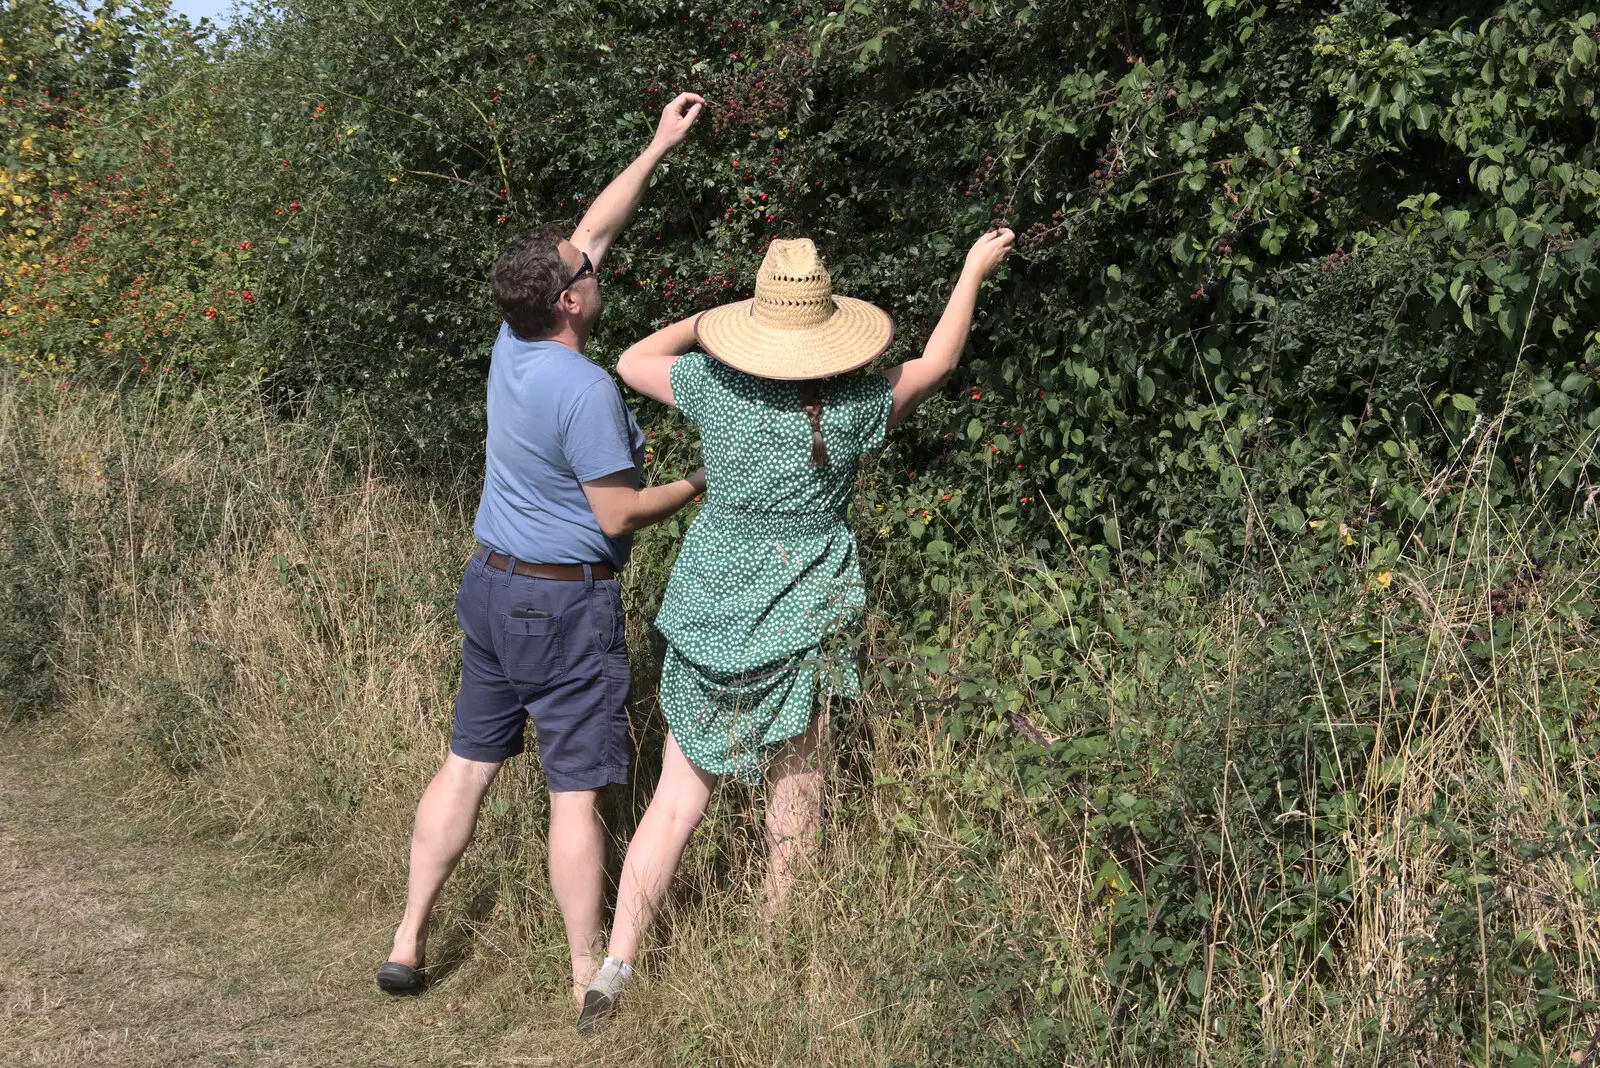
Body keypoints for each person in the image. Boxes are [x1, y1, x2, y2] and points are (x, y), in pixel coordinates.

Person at [574, 227, 1016, 1030]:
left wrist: (713, 318)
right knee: (795, 802)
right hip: (806, 615)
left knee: (676, 798)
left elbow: (631, 358)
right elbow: (940, 362)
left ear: (759, 320)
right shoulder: (850, 408)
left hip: (708, 608)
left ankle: (615, 967)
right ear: (826, 323)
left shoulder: (712, 386)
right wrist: (971, 270)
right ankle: (774, 973)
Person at [375, 92, 708, 1008]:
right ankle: (580, 978)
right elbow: (618, 516)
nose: (595, 267)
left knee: (467, 766)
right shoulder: (586, 388)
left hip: (488, 585)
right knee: (573, 794)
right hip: (562, 603)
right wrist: (696, 482)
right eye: (584, 271)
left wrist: (657, 146)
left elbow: (595, 227)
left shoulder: (512, 342)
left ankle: (407, 942)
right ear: (571, 301)